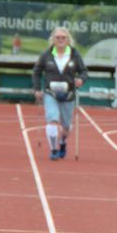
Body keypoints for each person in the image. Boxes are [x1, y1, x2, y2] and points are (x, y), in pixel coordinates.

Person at [32, 28, 86, 159]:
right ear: (53, 39)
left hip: (68, 94)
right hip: (50, 93)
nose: (60, 40)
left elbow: (84, 72)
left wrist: (81, 80)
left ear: (68, 39)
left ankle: (62, 141)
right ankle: (53, 149)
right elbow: (37, 71)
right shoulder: (46, 54)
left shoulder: (74, 54)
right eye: (57, 37)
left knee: (66, 126)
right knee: (52, 119)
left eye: (63, 37)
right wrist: (37, 89)